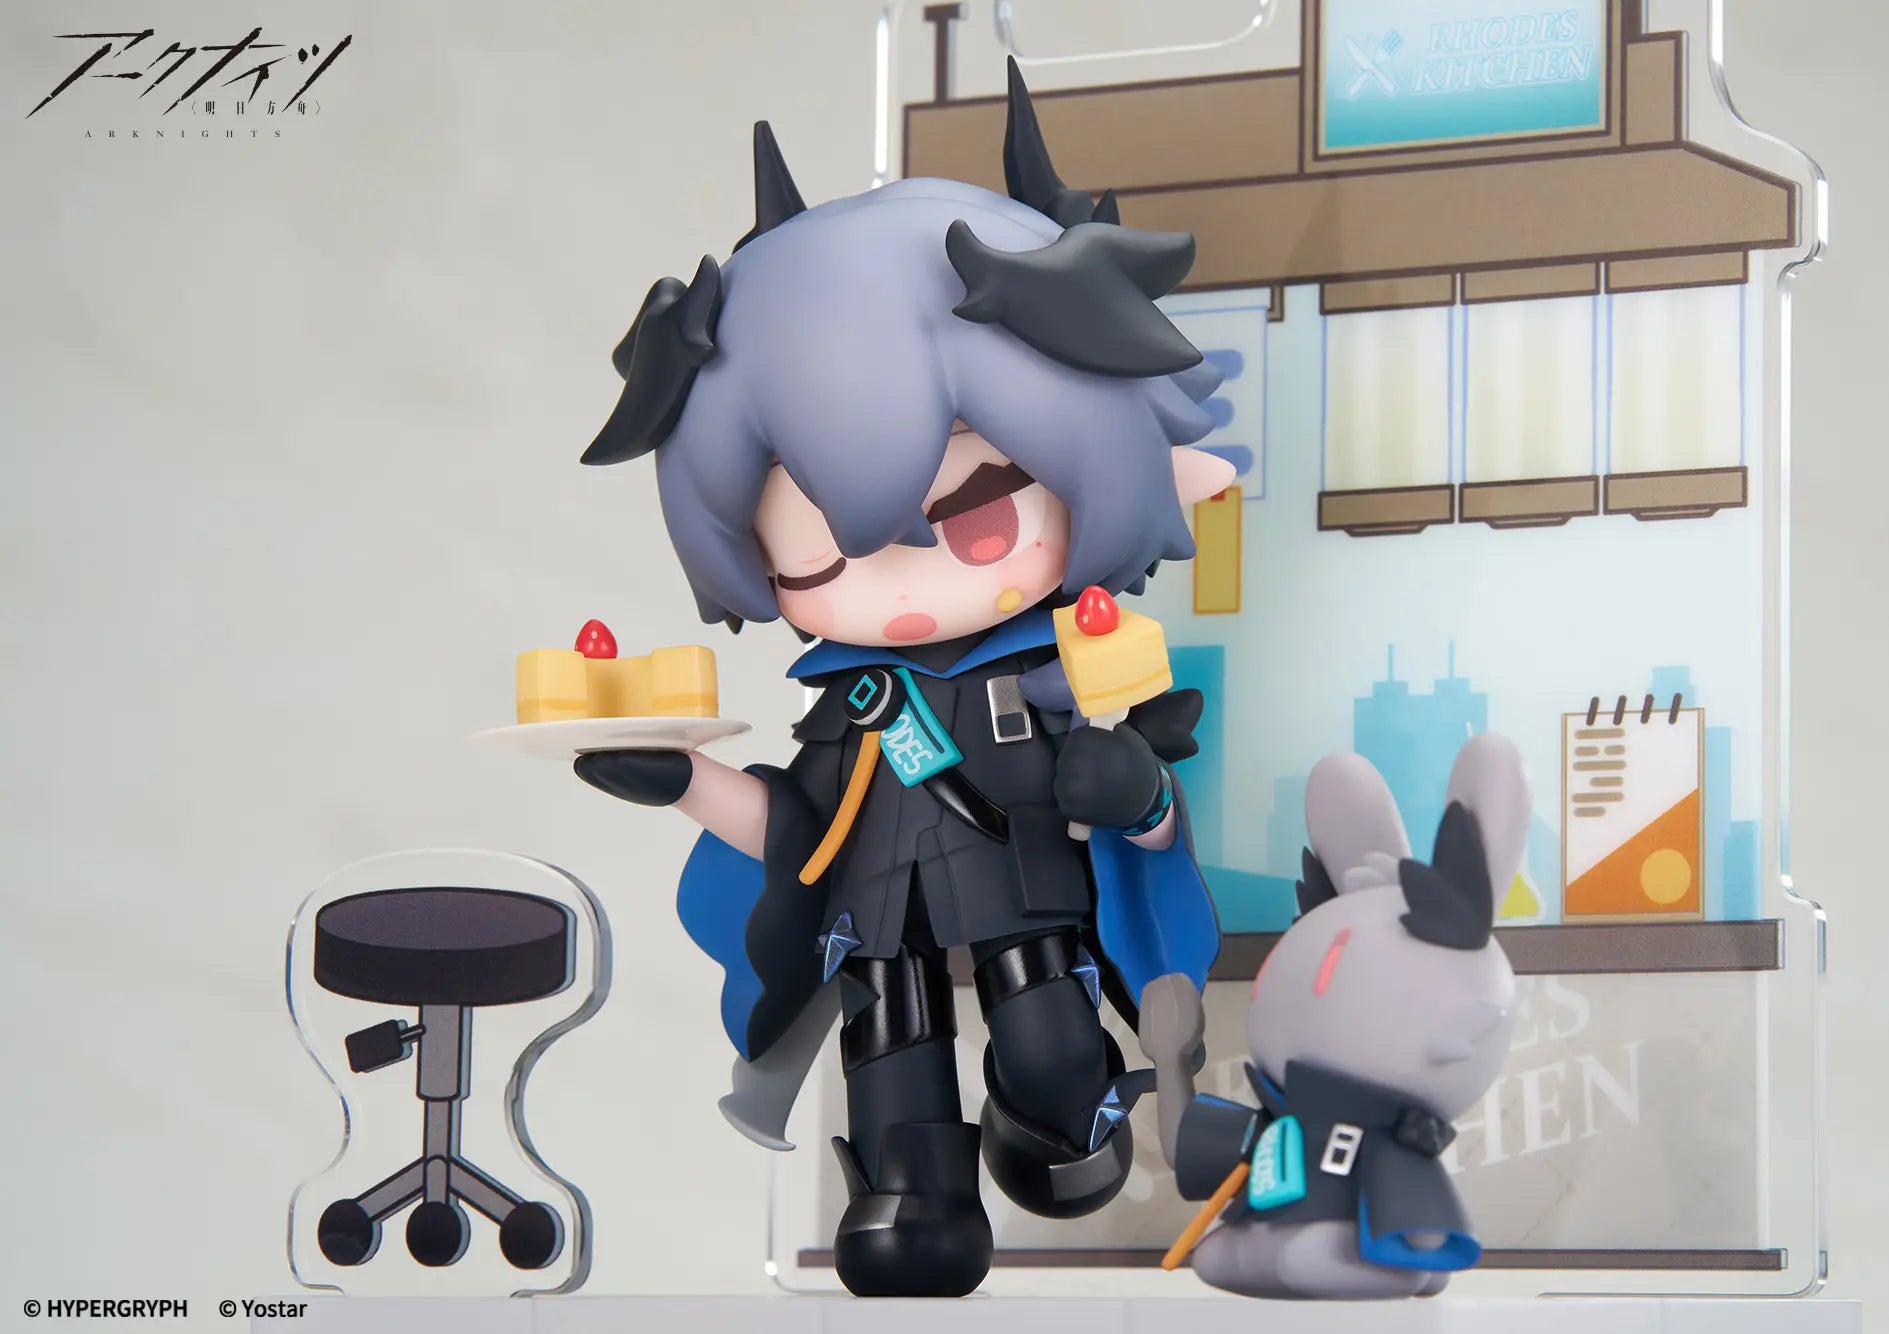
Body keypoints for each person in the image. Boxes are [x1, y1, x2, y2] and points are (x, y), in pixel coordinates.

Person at [573, 60, 1232, 1297]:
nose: (903, 574)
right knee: (890, 1063)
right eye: (826, 544)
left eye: (975, 507)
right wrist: (683, 780)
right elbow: (800, 828)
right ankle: (910, 1194)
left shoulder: (1056, 669)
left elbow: (1146, 820)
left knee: (1049, 1047)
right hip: (874, 924)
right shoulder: (850, 702)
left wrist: (1132, 790)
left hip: (1027, 900)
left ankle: (1062, 1124)